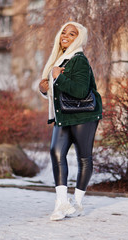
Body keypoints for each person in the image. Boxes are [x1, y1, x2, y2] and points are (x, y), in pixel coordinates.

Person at [39, 22, 102, 221]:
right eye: (64, 32)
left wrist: (59, 77)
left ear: (79, 38)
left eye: (72, 33)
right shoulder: (59, 59)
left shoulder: (78, 60)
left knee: (84, 157)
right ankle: (61, 203)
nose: (65, 35)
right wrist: (44, 89)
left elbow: (81, 91)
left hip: (84, 115)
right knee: (56, 152)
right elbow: (57, 93)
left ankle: (78, 202)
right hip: (63, 116)